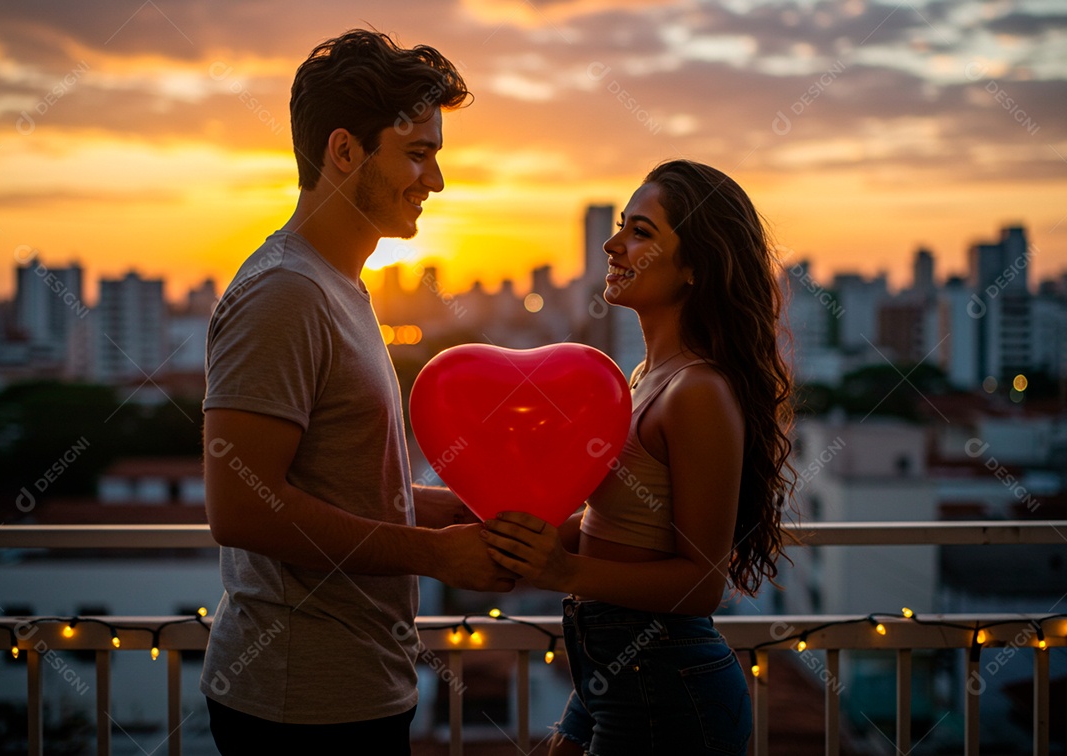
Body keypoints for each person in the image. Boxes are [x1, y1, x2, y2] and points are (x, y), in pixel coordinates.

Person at [199, 29, 514, 755]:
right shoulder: (286, 292)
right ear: (344, 152)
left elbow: (341, 484)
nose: (435, 182)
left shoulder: (340, 284)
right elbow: (242, 506)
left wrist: (455, 511)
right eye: (417, 154)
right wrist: (434, 555)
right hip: (298, 705)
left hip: (357, 691)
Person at [482, 160, 795, 755]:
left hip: (668, 681)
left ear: (695, 268)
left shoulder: (697, 391)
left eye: (641, 232)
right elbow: (618, 529)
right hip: (612, 670)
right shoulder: (645, 377)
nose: (612, 243)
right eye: (622, 224)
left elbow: (702, 583)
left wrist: (562, 572)